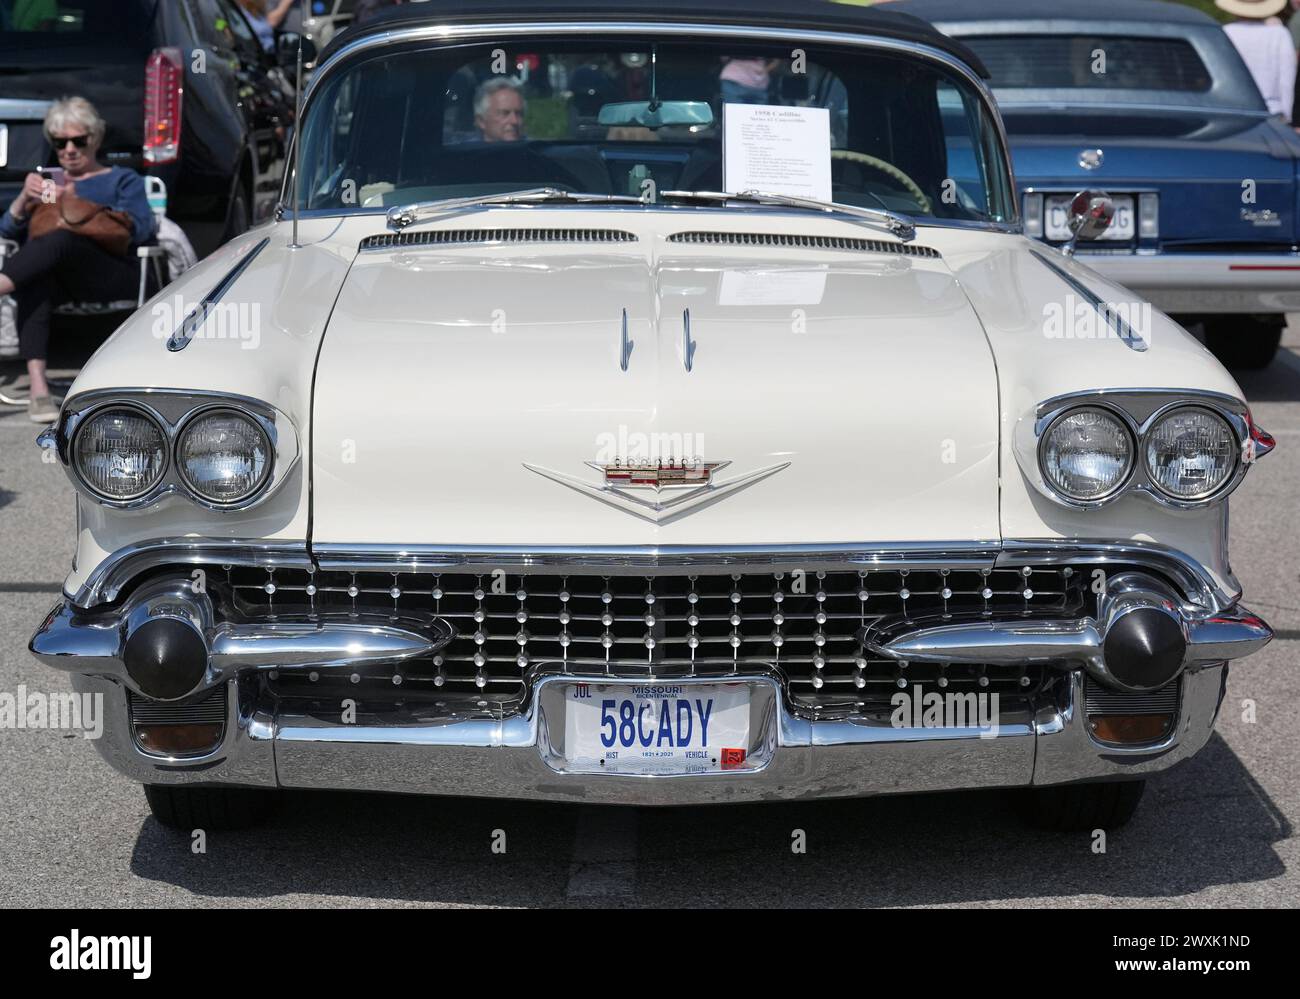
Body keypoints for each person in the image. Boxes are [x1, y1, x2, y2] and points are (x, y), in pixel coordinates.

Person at [0, 97, 157, 424]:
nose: (69, 149)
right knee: (37, 273)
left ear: (95, 139)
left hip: (111, 273)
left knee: (60, 238)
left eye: (78, 141)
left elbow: (142, 230)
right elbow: (8, 231)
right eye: (60, 143)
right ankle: (39, 390)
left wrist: (77, 204)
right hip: (60, 278)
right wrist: (22, 200)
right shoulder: (50, 183)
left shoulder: (121, 179)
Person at [1218, 0, 1297, 121]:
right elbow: (1286, 78)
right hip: (1271, 110)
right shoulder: (1279, 34)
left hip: (1231, 107)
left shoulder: (1225, 32)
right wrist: (1287, 113)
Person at [474, 78, 526, 142]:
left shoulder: (534, 147)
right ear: (481, 121)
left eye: (518, 113)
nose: (514, 121)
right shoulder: (466, 147)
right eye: (505, 113)